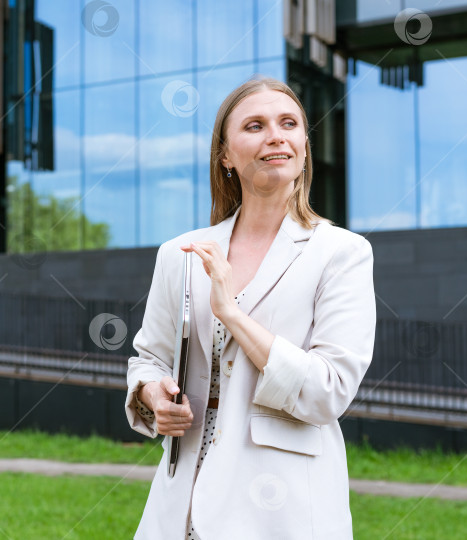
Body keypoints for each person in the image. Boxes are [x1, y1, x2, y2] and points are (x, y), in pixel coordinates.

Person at [125, 76, 376, 540]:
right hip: (179, 508)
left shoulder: (342, 253)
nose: (275, 135)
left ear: (303, 146)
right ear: (225, 154)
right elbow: (149, 360)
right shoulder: (179, 254)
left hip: (282, 512)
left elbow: (329, 390)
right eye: (255, 125)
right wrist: (152, 396)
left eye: (288, 124)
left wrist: (232, 314)